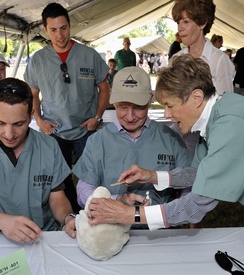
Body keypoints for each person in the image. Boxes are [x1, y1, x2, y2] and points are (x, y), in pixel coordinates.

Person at [87, 54, 244, 229]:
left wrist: (129, 215)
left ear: (196, 98)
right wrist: (153, 176)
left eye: (170, 105)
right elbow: (196, 174)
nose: (166, 115)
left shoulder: (229, 125)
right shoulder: (216, 117)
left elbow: (195, 206)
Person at [24, 2, 110, 213]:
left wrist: (96, 118)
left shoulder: (89, 55)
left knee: (92, 174)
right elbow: (32, 93)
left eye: (63, 28)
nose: (59, 35)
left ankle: (94, 210)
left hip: (85, 128)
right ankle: (70, 213)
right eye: (53, 30)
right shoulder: (38, 60)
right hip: (55, 130)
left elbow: (104, 88)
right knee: (59, 178)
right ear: (45, 30)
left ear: (70, 26)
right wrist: (39, 120)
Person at [0, 77, 76, 243]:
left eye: (19, 124)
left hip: (41, 237)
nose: (9, 134)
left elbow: (57, 198)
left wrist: (68, 218)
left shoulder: (48, 146)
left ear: (32, 114)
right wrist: (1, 221)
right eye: (0, 122)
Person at [73, 66, 191, 210]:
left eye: (138, 107)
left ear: (149, 101)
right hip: (112, 226)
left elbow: (189, 187)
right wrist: (115, 201)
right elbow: (84, 192)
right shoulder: (97, 141)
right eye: (123, 107)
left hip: (159, 226)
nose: (130, 117)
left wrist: (173, 212)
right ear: (113, 102)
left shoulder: (171, 139)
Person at [170, 0, 235, 157]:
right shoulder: (176, 59)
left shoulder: (219, 60)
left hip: (208, 141)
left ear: (202, 23)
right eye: (178, 22)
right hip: (180, 136)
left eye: (186, 21)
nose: (180, 28)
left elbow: (225, 109)